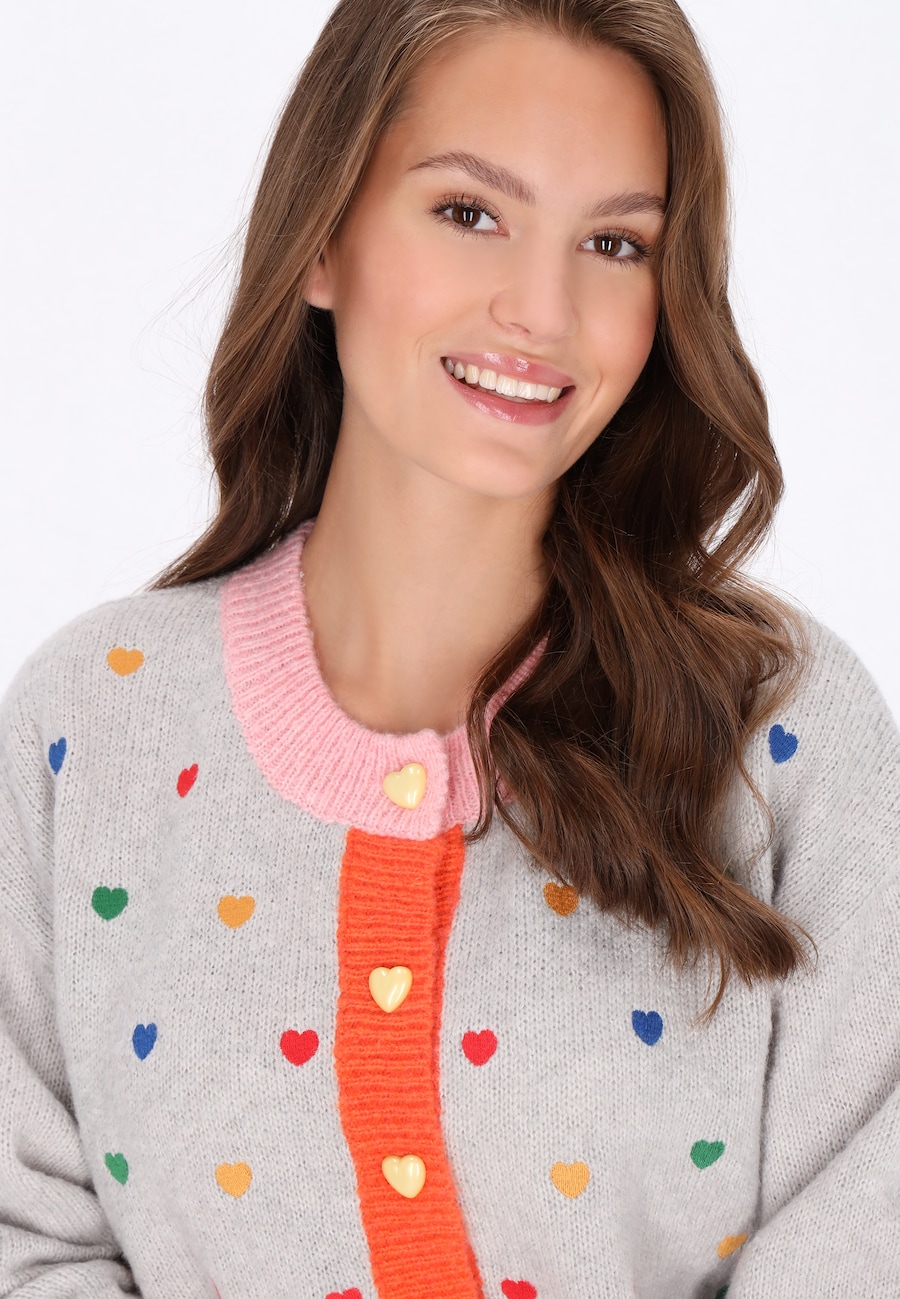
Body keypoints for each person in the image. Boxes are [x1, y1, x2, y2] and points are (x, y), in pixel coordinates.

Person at [1, 0, 898, 1295]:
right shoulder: (90, 731)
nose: (541, 309)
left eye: (615, 243)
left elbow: (874, 1223)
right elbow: (25, 1240)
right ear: (322, 236)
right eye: (469, 212)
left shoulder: (781, 733)